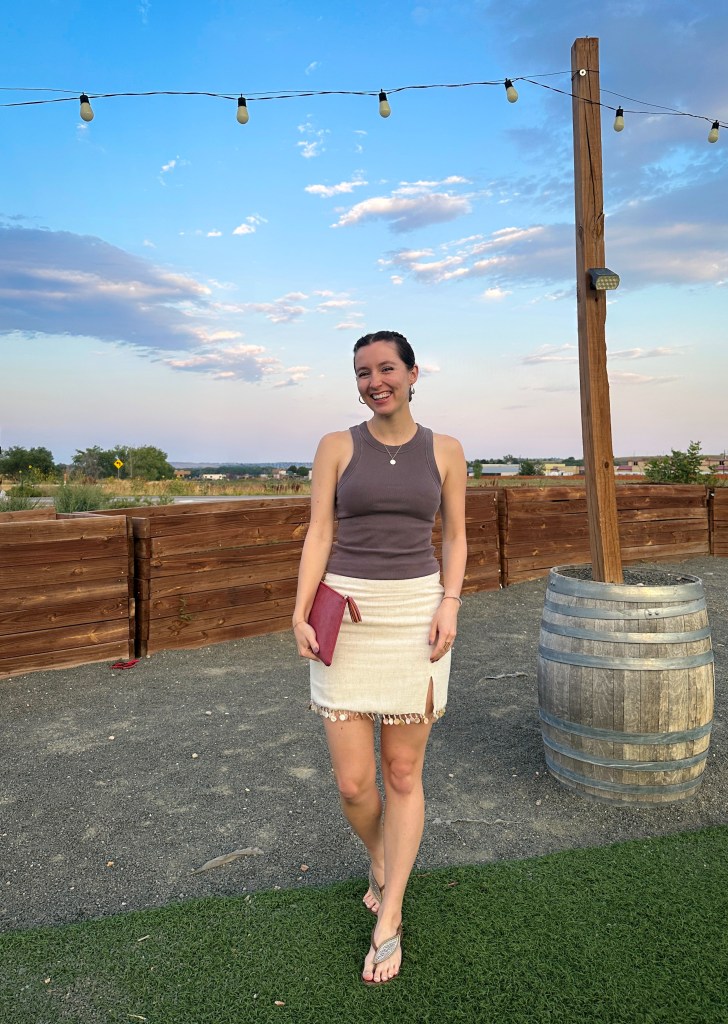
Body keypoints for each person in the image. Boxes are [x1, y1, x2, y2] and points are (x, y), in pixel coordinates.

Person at [292, 330, 467, 985]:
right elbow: (320, 531)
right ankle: (380, 858)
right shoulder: (337, 446)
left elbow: (455, 536)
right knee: (353, 784)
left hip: (417, 614)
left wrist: (450, 602)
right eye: (363, 371)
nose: (374, 381)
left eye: (386, 368)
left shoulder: (446, 450)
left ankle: (389, 914)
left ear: (413, 373)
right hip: (348, 613)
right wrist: (300, 608)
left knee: (401, 772)